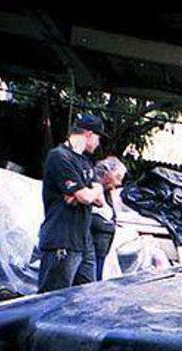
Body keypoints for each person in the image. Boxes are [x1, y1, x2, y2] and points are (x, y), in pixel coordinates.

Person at [36, 112, 107, 293]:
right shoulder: (59, 156)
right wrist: (88, 193)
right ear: (89, 134)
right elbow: (86, 197)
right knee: (53, 296)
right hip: (62, 238)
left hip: (82, 240)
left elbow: (99, 200)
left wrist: (89, 192)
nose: (98, 143)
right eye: (98, 137)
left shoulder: (85, 162)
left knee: (85, 295)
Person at [89, 156, 127, 281]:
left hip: (102, 249)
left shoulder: (107, 192)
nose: (119, 183)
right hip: (89, 249)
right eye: (118, 177)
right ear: (107, 174)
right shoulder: (91, 189)